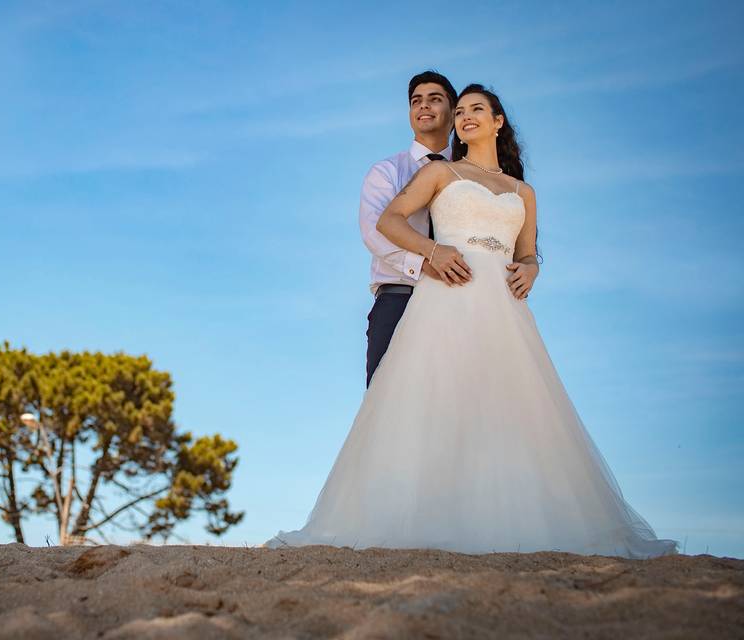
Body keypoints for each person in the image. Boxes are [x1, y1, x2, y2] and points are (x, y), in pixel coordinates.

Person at [263, 84, 679, 558]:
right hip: (445, 296)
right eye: (460, 111)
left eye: (475, 109)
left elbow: (526, 252)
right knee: (429, 404)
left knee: (508, 407)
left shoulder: (524, 192)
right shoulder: (442, 172)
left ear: (499, 121)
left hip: (504, 309)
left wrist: (532, 267)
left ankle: (502, 519)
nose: (464, 117)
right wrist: (433, 250)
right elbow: (388, 221)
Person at [359, 70, 540, 388]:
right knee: (396, 402)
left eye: (436, 100)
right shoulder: (388, 171)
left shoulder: (499, 182)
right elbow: (376, 228)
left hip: (483, 300)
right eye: (416, 101)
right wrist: (428, 260)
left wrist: (530, 268)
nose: (423, 107)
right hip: (400, 296)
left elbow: (524, 252)